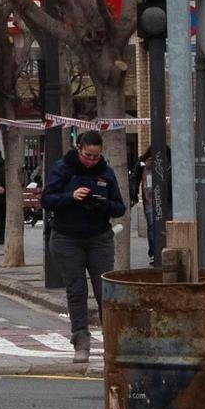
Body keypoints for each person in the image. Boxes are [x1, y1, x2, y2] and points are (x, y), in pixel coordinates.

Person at [41, 129, 127, 364]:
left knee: (105, 291)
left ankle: (112, 342)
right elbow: (47, 200)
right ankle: (81, 341)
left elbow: (120, 207)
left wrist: (104, 204)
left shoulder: (106, 173)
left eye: (96, 156)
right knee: (77, 290)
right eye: (88, 155)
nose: (91, 161)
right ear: (78, 149)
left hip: (99, 238)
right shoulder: (63, 169)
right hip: (67, 237)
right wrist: (71, 196)